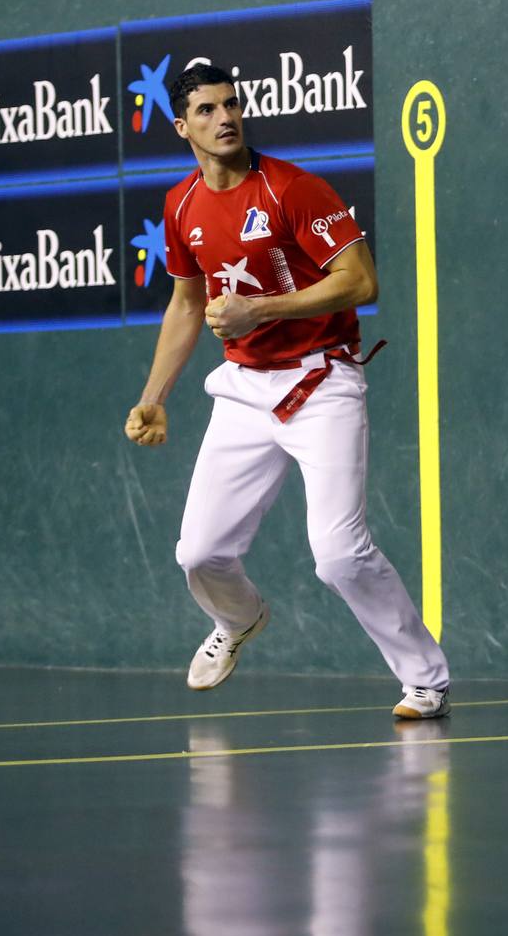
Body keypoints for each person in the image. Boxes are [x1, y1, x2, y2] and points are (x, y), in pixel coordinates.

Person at [124, 63, 450, 719]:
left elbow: (360, 282)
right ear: (181, 125)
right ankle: (237, 619)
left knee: (337, 555)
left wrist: (262, 310)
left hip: (322, 382)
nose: (226, 119)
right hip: (244, 390)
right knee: (200, 553)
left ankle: (425, 679)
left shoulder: (291, 189)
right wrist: (154, 393)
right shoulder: (181, 204)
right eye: (209, 110)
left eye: (232, 105)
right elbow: (187, 303)